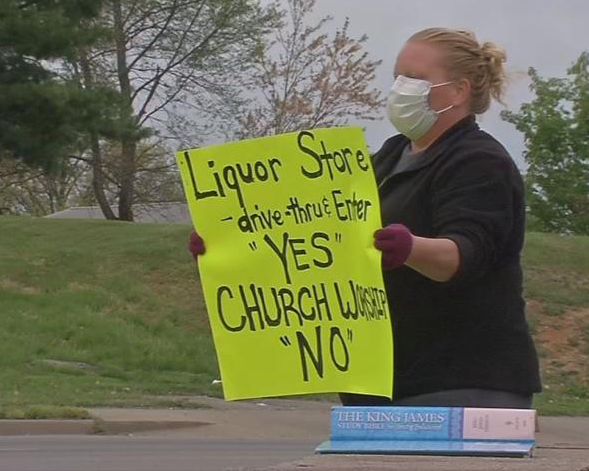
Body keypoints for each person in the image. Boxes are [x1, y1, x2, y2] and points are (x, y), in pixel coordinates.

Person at [189, 27, 541, 409]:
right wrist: (231, 245)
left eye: (417, 79)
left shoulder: (480, 162)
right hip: (382, 382)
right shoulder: (387, 158)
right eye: (398, 78)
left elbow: (463, 254)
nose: (401, 89)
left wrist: (408, 248)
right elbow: (317, 240)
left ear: (459, 90)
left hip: (460, 383)